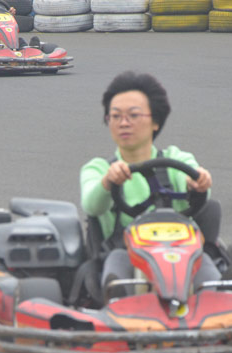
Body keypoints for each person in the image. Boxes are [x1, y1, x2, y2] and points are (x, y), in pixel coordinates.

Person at [79, 71, 223, 297]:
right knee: (116, 271)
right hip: (124, 252)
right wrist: (107, 182)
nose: (123, 123)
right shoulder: (98, 169)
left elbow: (193, 177)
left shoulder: (176, 159)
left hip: (181, 251)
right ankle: (121, 309)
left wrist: (196, 181)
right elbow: (91, 205)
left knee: (209, 274)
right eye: (115, 116)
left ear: (155, 121)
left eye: (133, 115)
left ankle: (214, 303)